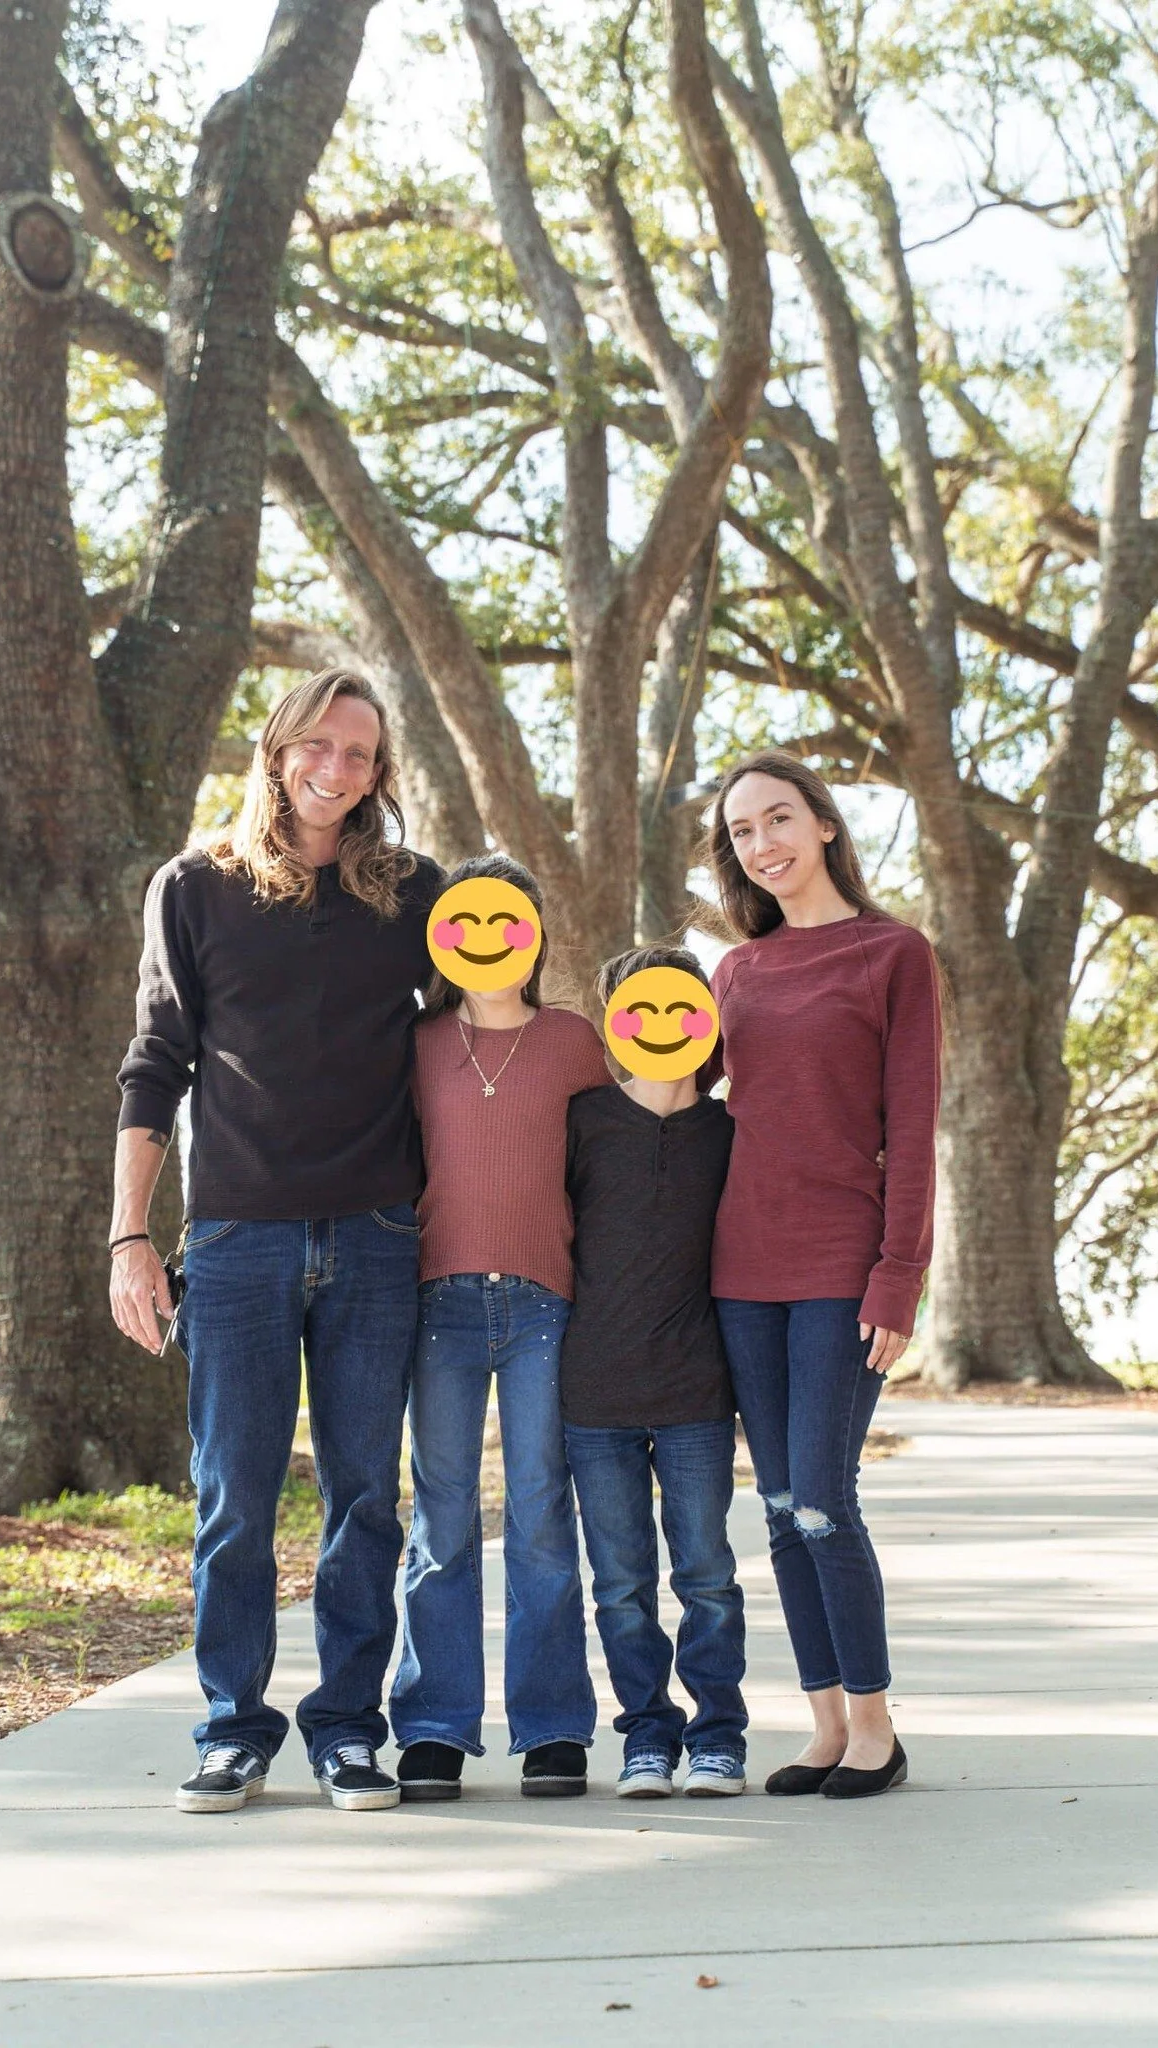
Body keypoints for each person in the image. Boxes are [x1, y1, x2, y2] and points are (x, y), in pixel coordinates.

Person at [109, 669, 443, 1814]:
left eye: (359, 754)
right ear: (277, 749)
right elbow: (156, 1065)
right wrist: (130, 1239)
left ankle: (349, 1726)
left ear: (379, 772)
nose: (336, 770)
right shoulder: (194, 887)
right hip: (240, 1237)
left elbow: (472, 1040)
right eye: (318, 745)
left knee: (366, 1498)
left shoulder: (413, 891)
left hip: (379, 1233)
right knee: (234, 1498)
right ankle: (230, 1727)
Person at [707, 749, 941, 1800]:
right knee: (778, 1503)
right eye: (743, 832)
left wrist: (900, 1276)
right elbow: (688, 1099)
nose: (763, 843)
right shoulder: (735, 971)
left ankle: (880, 1729)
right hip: (739, 1265)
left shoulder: (894, 954)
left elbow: (915, 1127)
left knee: (823, 1500)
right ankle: (825, 1722)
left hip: (843, 1264)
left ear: (826, 824)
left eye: (778, 818)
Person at [390, 853, 609, 1801]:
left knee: (539, 1516)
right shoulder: (416, 1041)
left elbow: (614, 1169)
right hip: (435, 1304)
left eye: (508, 916)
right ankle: (435, 1726)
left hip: (543, 1307)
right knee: (439, 1522)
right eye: (469, 919)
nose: (489, 937)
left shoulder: (575, 1041)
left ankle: (552, 1727)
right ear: (444, 935)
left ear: (532, 929)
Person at [562, 945, 747, 1799]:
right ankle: (645, 1736)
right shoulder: (584, 1121)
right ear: (615, 1022)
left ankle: (717, 1736)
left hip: (695, 1396)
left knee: (705, 1573)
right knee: (622, 1583)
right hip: (593, 1396)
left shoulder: (731, 1132)